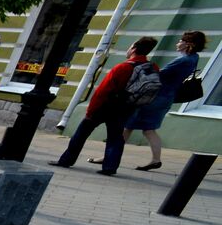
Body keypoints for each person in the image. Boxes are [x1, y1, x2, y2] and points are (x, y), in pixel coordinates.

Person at [51, 37, 158, 176]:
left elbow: (103, 91)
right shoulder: (152, 68)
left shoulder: (123, 67)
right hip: (127, 107)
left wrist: (91, 111)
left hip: (106, 106)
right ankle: (110, 167)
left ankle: (66, 160)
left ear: (134, 49)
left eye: (130, 46)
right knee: (115, 138)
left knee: (81, 134)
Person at [117, 30, 206, 172]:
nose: (178, 43)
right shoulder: (194, 58)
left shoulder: (183, 60)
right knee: (148, 129)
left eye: (181, 41)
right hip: (167, 98)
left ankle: (110, 155)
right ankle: (155, 159)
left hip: (155, 97)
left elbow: (159, 74)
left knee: (129, 125)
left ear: (188, 44)